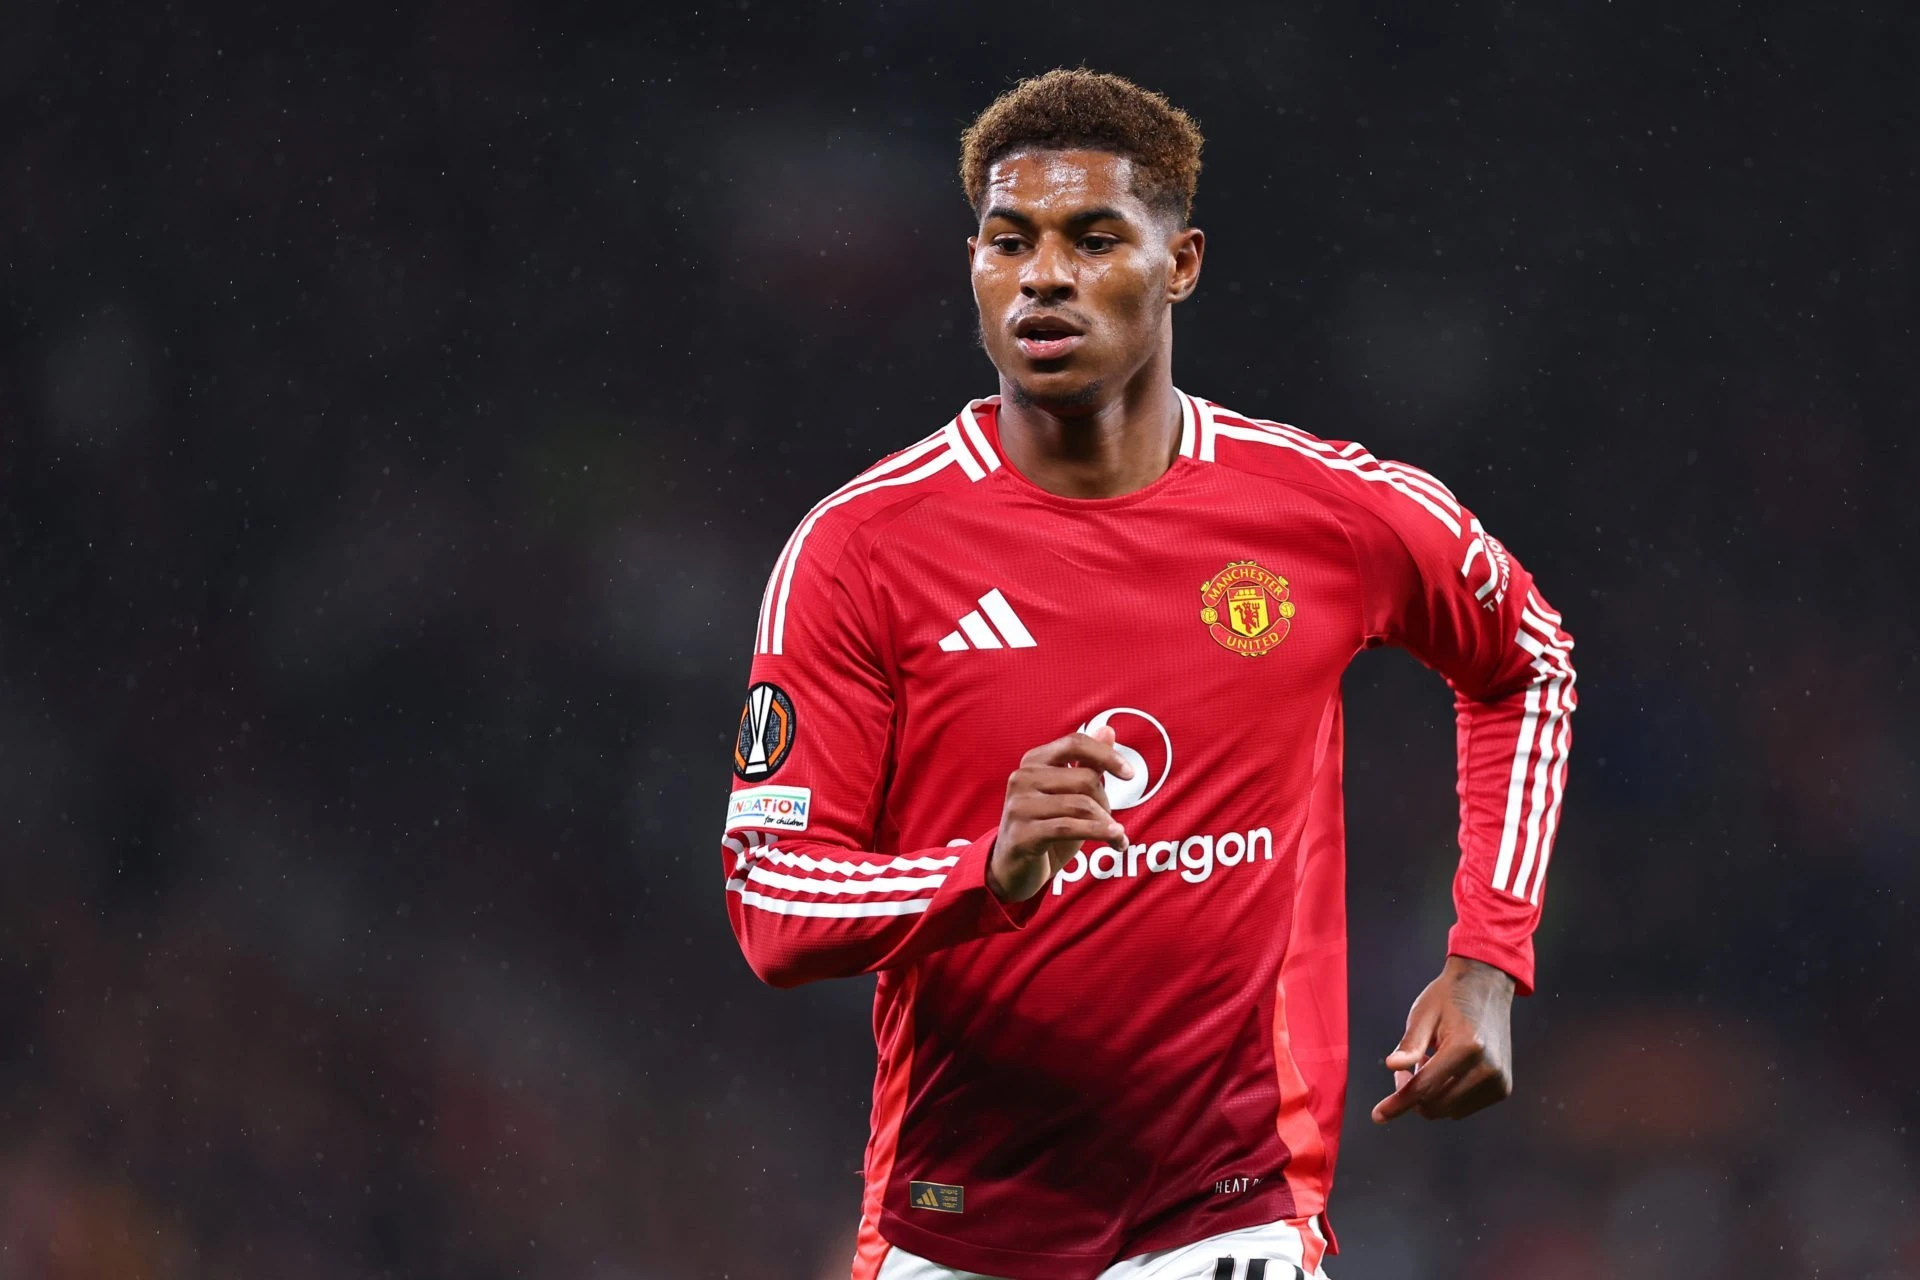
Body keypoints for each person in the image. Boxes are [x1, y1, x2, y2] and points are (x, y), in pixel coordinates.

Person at [720, 68, 1576, 1280]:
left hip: (1234, 1205)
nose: (1045, 275)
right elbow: (772, 902)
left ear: (1181, 263)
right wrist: (985, 868)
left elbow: (1528, 659)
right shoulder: (862, 550)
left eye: (1093, 237)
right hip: (957, 1214)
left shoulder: (1325, 512)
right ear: (974, 267)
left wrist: (1487, 958)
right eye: (1010, 241)